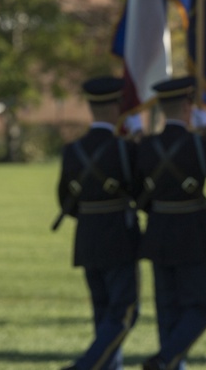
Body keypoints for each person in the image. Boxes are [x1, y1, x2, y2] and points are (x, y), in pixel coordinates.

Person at [55, 76, 140, 370]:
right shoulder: (124, 149)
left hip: (87, 236)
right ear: (116, 107)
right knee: (124, 314)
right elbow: (139, 191)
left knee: (103, 314)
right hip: (118, 236)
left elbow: (64, 199)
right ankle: (85, 366)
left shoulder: (72, 150)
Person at [134, 76, 206, 370]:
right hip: (192, 230)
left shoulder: (144, 146)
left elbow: (136, 189)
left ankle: (166, 360)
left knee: (167, 311)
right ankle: (165, 359)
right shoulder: (201, 144)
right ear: (187, 107)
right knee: (200, 310)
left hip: (158, 230)